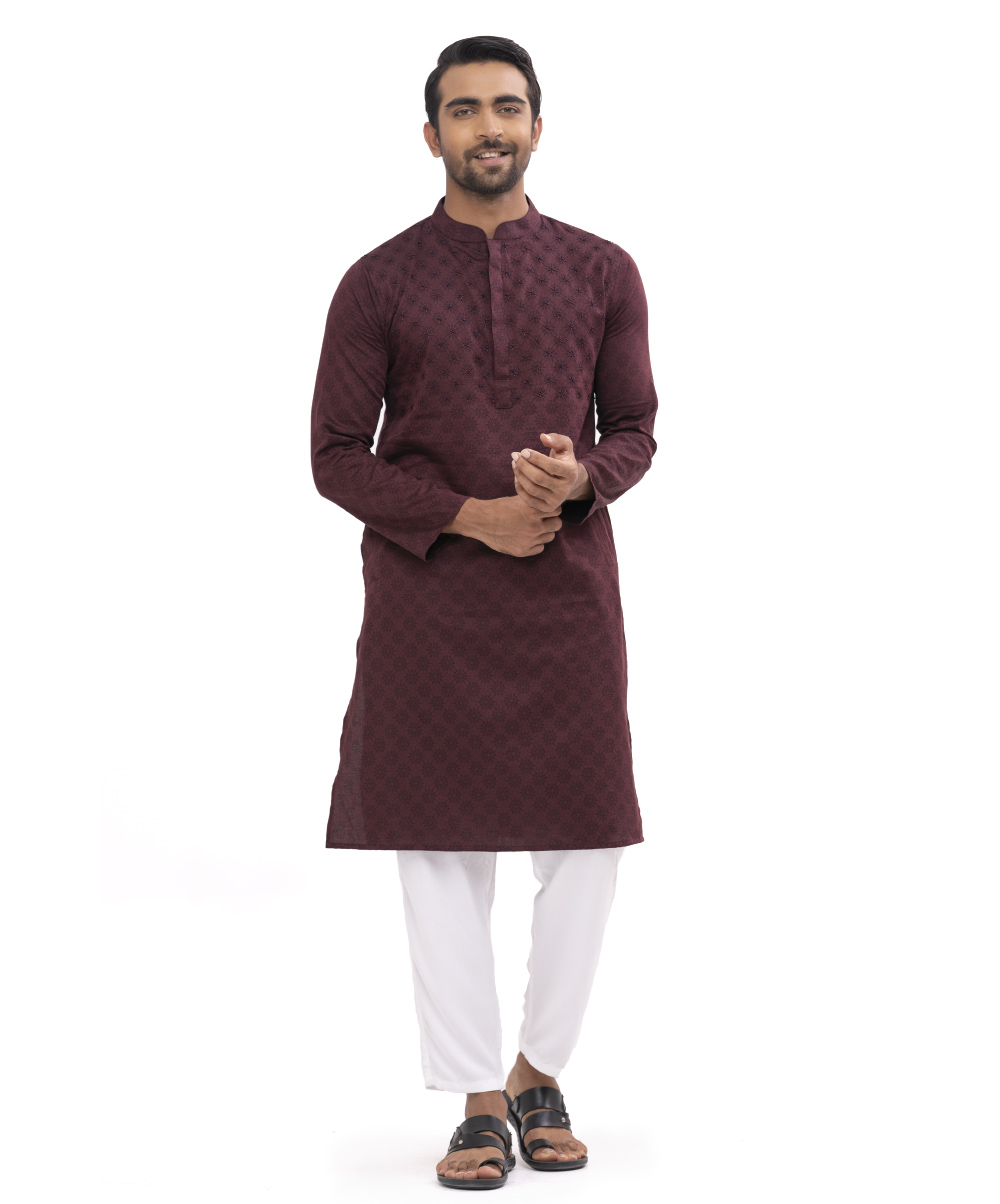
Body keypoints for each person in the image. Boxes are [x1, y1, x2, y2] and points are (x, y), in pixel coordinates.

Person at [310, 35, 658, 1189]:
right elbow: (332, 455)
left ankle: (535, 1070)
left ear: (537, 128)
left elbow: (635, 427)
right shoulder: (378, 281)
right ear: (432, 136)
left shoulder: (603, 269)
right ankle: (475, 1102)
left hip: (566, 599)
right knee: (440, 851)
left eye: (507, 106)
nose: (488, 126)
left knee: (590, 841)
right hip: (427, 603)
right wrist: (470, 514)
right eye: (463, 109)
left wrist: (579, 481)